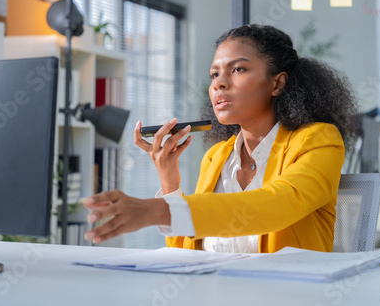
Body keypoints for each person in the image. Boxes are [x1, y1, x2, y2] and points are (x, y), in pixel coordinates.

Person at [82, 24, 358, 253]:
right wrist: (169, 181)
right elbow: (184, 252)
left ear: (277, 83)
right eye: (215, 73)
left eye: (238, 69)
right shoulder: (217, 156)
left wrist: (156, 211)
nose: (218, 83)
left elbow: (276, 205)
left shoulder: (319, 140)